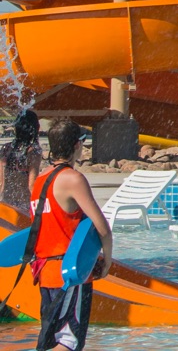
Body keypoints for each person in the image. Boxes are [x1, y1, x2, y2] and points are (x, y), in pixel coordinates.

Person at [29, 120, 114, 351]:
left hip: (45, 273)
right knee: (69, 342)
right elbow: (102, 227)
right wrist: (107, 259)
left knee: (51, 341)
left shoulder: (38, 181)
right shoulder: (72, 179)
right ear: (77, 145)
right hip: (70, 273)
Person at [2, 110, 42, 213]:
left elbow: (2, 182)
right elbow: (32, 185)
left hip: (6, 203)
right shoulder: (33, 151)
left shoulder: (6, 148)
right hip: (24, 206)